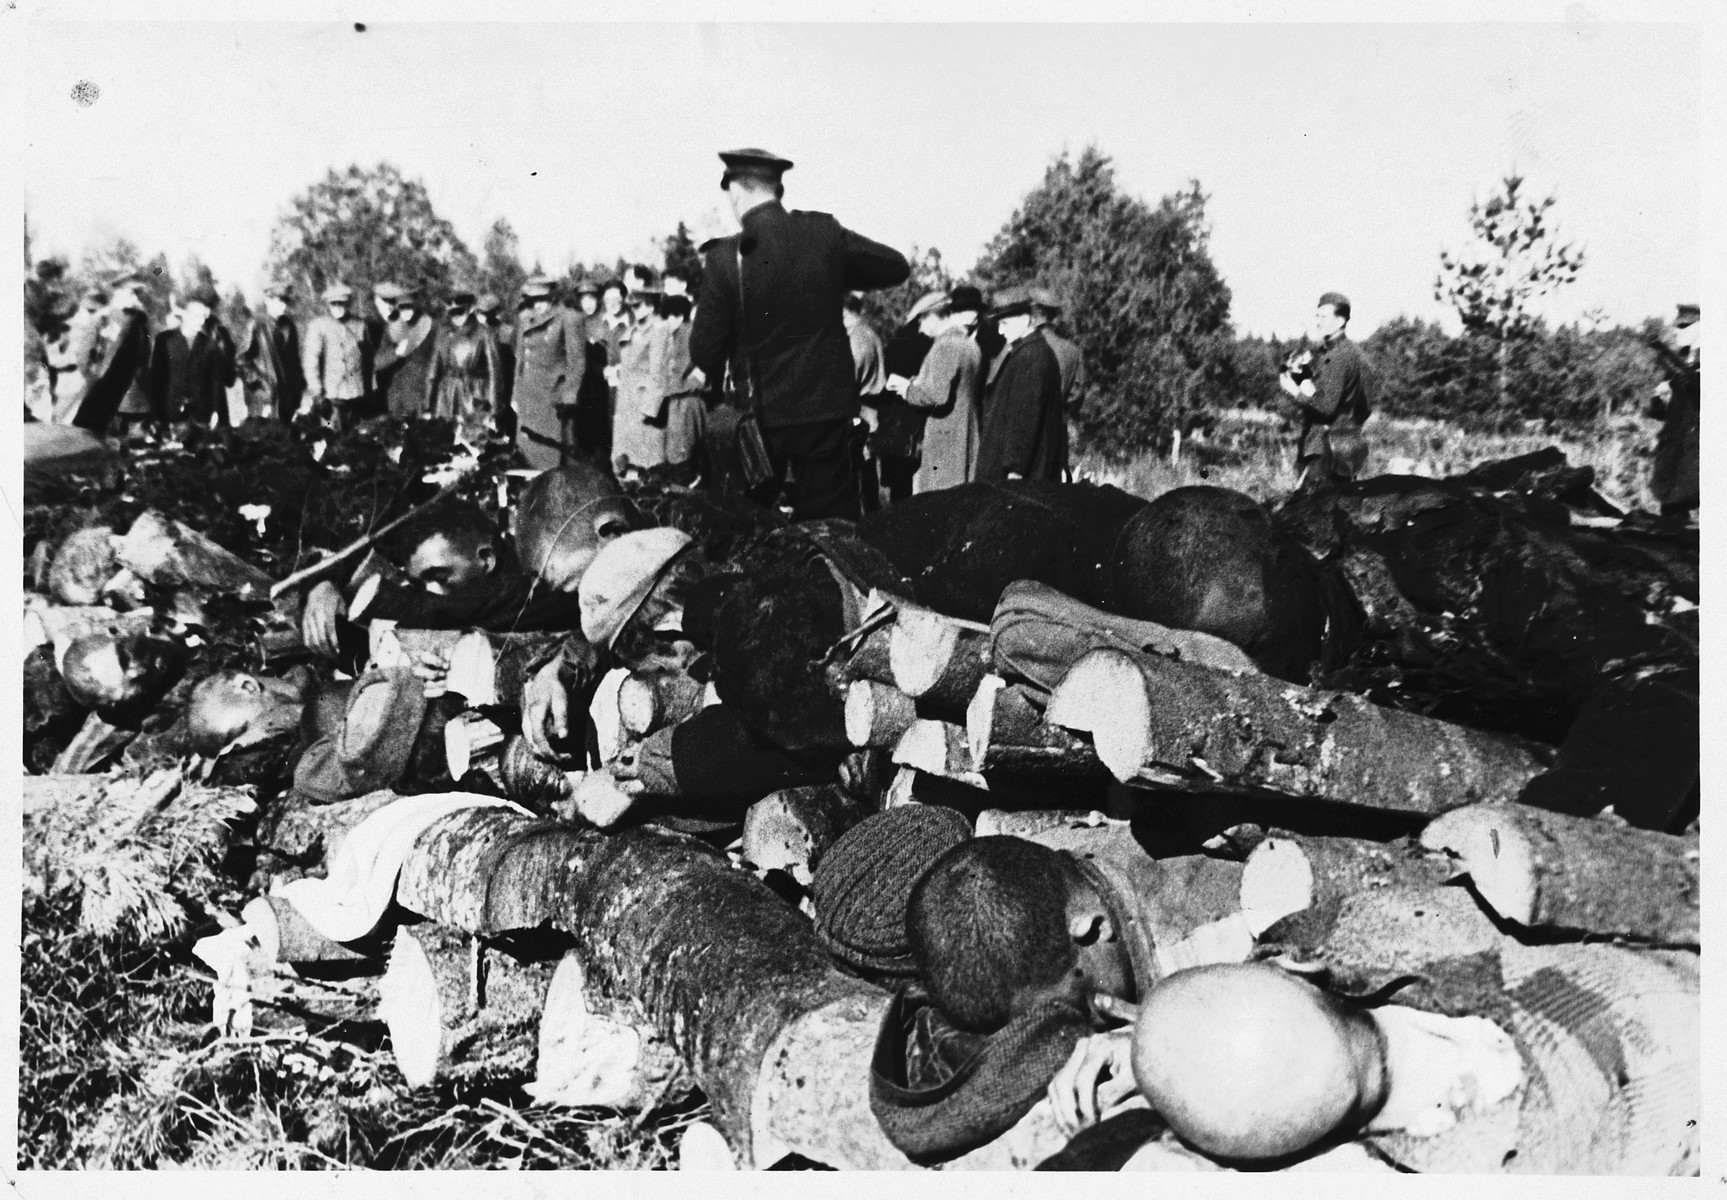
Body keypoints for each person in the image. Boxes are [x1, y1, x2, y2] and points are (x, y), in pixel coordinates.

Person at [689, 147, 911, 520]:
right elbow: (894, 266)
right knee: (832, 528)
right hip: (825, 415)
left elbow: (706, 354)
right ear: (779, 190)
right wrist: (832, 270)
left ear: (738, 192)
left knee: (750, 532)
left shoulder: (726, 259)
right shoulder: (822, 234)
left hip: (759, 422)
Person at [1280, 291, 1375, 486]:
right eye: (1317, 315)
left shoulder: (1338, 356)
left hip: (1324, 450)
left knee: (1310, 510)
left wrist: (1293, 390)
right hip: (1346, 448)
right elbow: (1363, 405)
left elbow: (1326, 406)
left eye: (1323, 316)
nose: (1318, 321)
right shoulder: (1353, 353)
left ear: (1340, 321)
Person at [896, 285, 984, 494]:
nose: (919, 328)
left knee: (939, 504)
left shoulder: (945, 346)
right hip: (966, 437)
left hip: (945, 442)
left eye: (921, 319)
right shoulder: (970, 344)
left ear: (935, 315)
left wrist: (906, 389)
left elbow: (936, 396)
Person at [975, 285, 1066, 483]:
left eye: (1005, 323)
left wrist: (1014, 470)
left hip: (1015, 479)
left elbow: (1024, 419)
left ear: (1025, 320)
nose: (1000, 330)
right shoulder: (1029, 352)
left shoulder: (1030, 357)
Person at [513, 274, 586, 469]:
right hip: (528, 395)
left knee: (554, 456)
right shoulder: (525, 320)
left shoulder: (567, 318)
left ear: (552, 297)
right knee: (527, 454)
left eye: (541, 300)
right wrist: (515, 394)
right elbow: (520, 361)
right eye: (532, 300)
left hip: (553, 396)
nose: (537, 305)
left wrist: (570, 396)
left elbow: (577, 361)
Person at [150, 284, 237, 433]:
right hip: (171, 414)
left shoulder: (210, 345)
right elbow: (157, 378)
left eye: (203, 317)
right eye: (197, 316)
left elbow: (215, 381)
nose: (201, 321)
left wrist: (216, 410)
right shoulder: (164, 340)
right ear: (184, 314)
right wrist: (156, 414)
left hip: (201, 415)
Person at [426, 291, 505, 442]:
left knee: (473, 443)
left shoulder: (485, 333)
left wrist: (495, 409)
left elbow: (494, 372)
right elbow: (433, 370)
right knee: (443, 443)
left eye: (459, 311)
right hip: (447, 394)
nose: (455, 317)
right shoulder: (443, 333)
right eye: (451, 313)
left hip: (474, 395)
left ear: (470, 309)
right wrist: (428, 405)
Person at [1648, 306, 1699, 519]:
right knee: (1670, 504)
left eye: (1685, 326)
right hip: (1675, 438)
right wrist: (1660, 397)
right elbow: (1657, 413)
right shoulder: (1677, 360)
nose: (1679, 331)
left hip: (1698, 438)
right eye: (1678, 326)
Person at [300, 283, 371, 430]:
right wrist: (317, 392)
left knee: (353, 437)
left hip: (355, 395)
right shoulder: (318, 325)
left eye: (342, 303)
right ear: (328, 304)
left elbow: (367, 360)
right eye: (334, 303)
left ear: (349, 303)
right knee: (329, 433)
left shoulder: (360, 325)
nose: (338, 307)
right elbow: (310, 361)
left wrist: (368, 391)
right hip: (329, 396)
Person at [614, 288, 669, 473]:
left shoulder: (659, 330)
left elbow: (658, 373)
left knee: (646, 462)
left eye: (638, 306)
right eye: (632, 307)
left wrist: (649, 409)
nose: (634, 310)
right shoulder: (633, 330)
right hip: (626, 404)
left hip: (642, 406)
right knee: (626, 461)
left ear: (651, 307)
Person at [236, 283, 304, 422]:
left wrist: (297, 395)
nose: (283, 306)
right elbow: (241, 361)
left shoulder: (289, 326)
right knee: (263, 440)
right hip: (263, 401)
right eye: (279, 301)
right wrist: (261, 387)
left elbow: (295, 362)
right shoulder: (255, 325)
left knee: (284, 440)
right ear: (268, 301)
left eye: (285, 301)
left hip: (286, 400)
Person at [375, 287, 439, 419]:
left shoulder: (430, 329)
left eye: (410, 306)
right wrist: (395, 352)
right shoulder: (391, 330)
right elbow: (377, 363)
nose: (406, 311)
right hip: (396, 397)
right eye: (402, 307)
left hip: (422, 398)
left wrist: (431, 403)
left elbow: (438, 365)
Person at [1031, 287, 1087, 411]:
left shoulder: (1022, 348)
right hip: (1058, 422)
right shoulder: (1074, 350)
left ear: (1034, 312)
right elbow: (1077, 395)